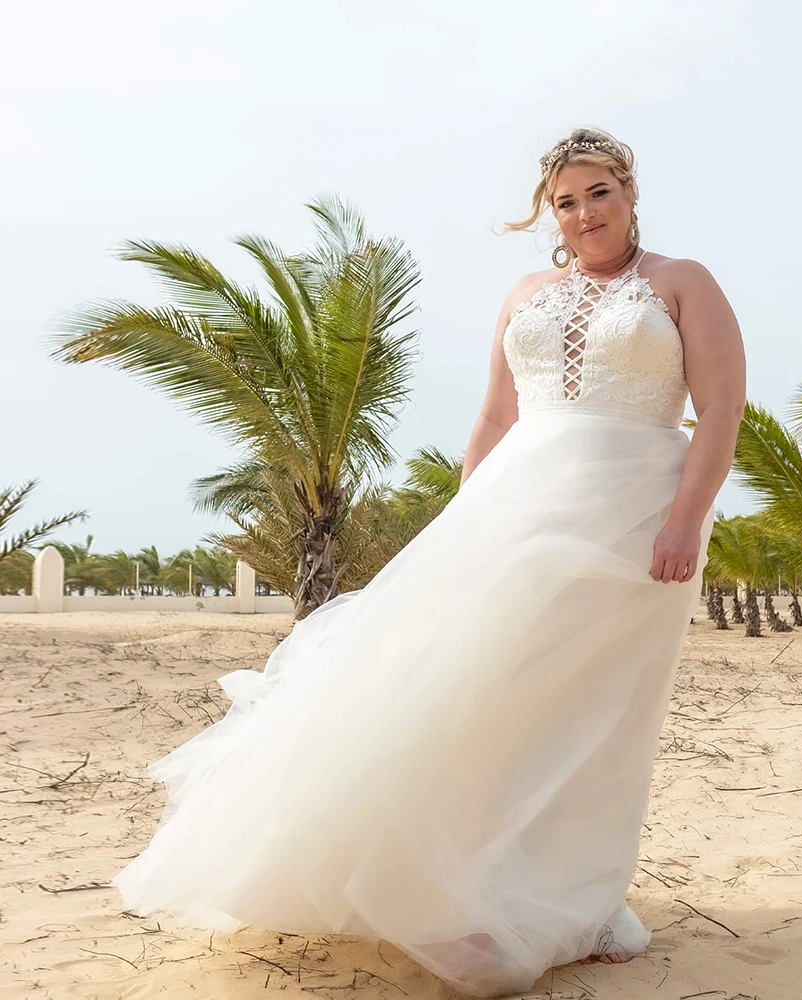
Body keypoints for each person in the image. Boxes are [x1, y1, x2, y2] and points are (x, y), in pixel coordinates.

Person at [112, 126, 746, 997]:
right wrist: (465, 514)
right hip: (515, 505)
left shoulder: (682, 283)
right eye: (566, 201)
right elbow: (493, 417)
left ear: (631, 195)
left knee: (595, 711)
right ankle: (455, 890)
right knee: (477, 686)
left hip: (634, 515)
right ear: (548, 215)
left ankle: (575, 902)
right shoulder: (526, 291)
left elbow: (720, 411)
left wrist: (684, 523)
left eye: (600, 193)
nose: (585, 212)